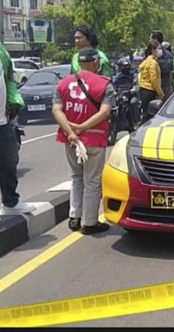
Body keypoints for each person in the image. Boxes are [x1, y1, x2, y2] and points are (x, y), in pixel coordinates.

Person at [0, 4, 36, 224]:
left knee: (9, 160)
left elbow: (9, 80)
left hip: (3, 119)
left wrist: (14, 102)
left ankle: (11, 202)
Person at [52, 47, 113, 234]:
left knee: (76, 177)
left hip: (70, 139)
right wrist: (83, 127)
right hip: (93, 139)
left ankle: (74, 217)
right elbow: (105, 112)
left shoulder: (63, 83)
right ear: (96, 62)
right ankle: (90, 222)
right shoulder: (105, 84)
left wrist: (71, 131)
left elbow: (56, 110)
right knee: (92, 181)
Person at [138, 41, 164, 124]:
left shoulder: (146, 61)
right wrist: (160, 93)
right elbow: (154, 79)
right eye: (158, 49)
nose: (160, 51)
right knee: (149, 116)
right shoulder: (153, 63)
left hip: (143, 90)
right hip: (150, 91)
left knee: (146, 114)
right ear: (153, 50)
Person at [149, 31, 174, 98]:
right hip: (151, 87)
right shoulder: (150, 52)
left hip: (163, 86)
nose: (150, 41)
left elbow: (167, 68)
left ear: (155, 40)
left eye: (151, 39)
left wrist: (157, 61)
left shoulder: (166, 54)